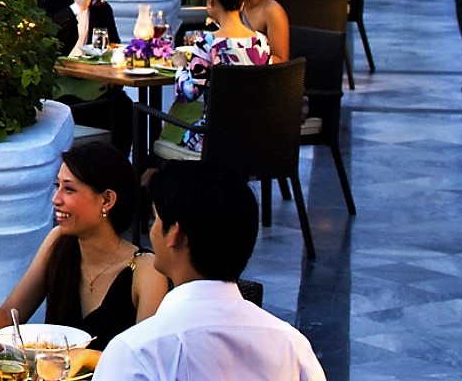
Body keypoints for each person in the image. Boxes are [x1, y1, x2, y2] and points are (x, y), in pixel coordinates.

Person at [93, 162, 326, 380]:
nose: (152, 231)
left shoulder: (136, 351)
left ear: (175, 234)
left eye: (156, 219)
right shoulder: (292, 346)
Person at [0, 143, 166, 350]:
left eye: (69, 189)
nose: (56, 199)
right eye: (58, 186)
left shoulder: (145, 270)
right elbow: (8, 319)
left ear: (107, 200)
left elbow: (147, 360)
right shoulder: (59, 243)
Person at [39, 0, 131, 151]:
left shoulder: (101, 7)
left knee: (132, 109)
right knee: (121, 108)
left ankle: (133, 172)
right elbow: (45, 38)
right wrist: (79, 5)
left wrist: (112, 77)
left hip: (91, 85)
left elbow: (113, 47)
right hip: (57, 90)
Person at [167, 0, 272, 154]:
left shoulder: (208, 42)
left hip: (214, 138)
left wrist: (181, 66)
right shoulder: (261, 42)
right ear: (241, 3)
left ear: (210, 0)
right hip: (255, 138)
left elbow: (189, 93)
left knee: (162, 139)